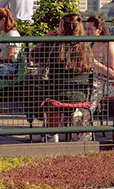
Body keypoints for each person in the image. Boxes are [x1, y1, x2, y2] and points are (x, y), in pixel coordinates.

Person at [28, 14, 93, 142]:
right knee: (55, 94)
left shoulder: (54, 45)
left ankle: (51, 133)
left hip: (57, 94)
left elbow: (31, 56)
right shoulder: (86, 47)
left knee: (34, 88)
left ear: (63, 27)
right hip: (82, 94)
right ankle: (76, 116)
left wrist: (45, 40)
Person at [85, 15, 114, 115]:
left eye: (90, 29)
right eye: (86, 29)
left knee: (91, 93)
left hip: (106, 84)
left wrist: (95, 63)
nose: (87, 32)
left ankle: (84, 119)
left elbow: (113, 74)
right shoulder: (90, 44)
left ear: (99, 30)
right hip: (90, 82)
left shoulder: (108, 45)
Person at [0, 8, 22, 77]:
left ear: (3, 20)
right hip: (0, 63)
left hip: (10, 66)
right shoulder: (3, 33)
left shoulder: (12, 34)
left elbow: (10, 56)